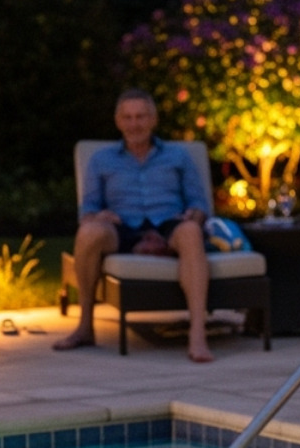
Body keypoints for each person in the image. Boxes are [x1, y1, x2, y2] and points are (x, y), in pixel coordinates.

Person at [53, 89, 216, 362]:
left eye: (141, 116)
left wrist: (194, 217)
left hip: (169, 223)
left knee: (190, 231)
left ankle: (197, 335)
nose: (134, 124)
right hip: (121, 226)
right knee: (89, 232)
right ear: (118, 121)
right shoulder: (101, 160)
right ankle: (84, 327)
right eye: (128, 117)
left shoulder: (178, 156)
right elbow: (88, 210)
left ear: (153, 119)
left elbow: (199, 203)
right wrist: (98, 217)